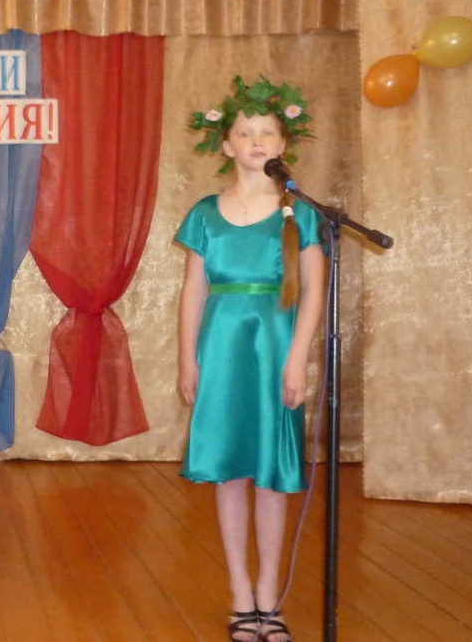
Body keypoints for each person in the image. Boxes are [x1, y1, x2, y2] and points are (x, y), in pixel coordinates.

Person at [175, 75, 325, 642]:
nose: (257, 140)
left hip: (274, 349)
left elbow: (313, 291)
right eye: (245, 132)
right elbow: (193, 290)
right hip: (221, 349)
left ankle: (269, 595)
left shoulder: (299, 213)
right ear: (226, 144)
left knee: (269, 475)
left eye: (267, 132)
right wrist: (187, 360)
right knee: (231, 471)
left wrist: (297, 359)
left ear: (284, 145)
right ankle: (240, 592)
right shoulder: (205, 214)